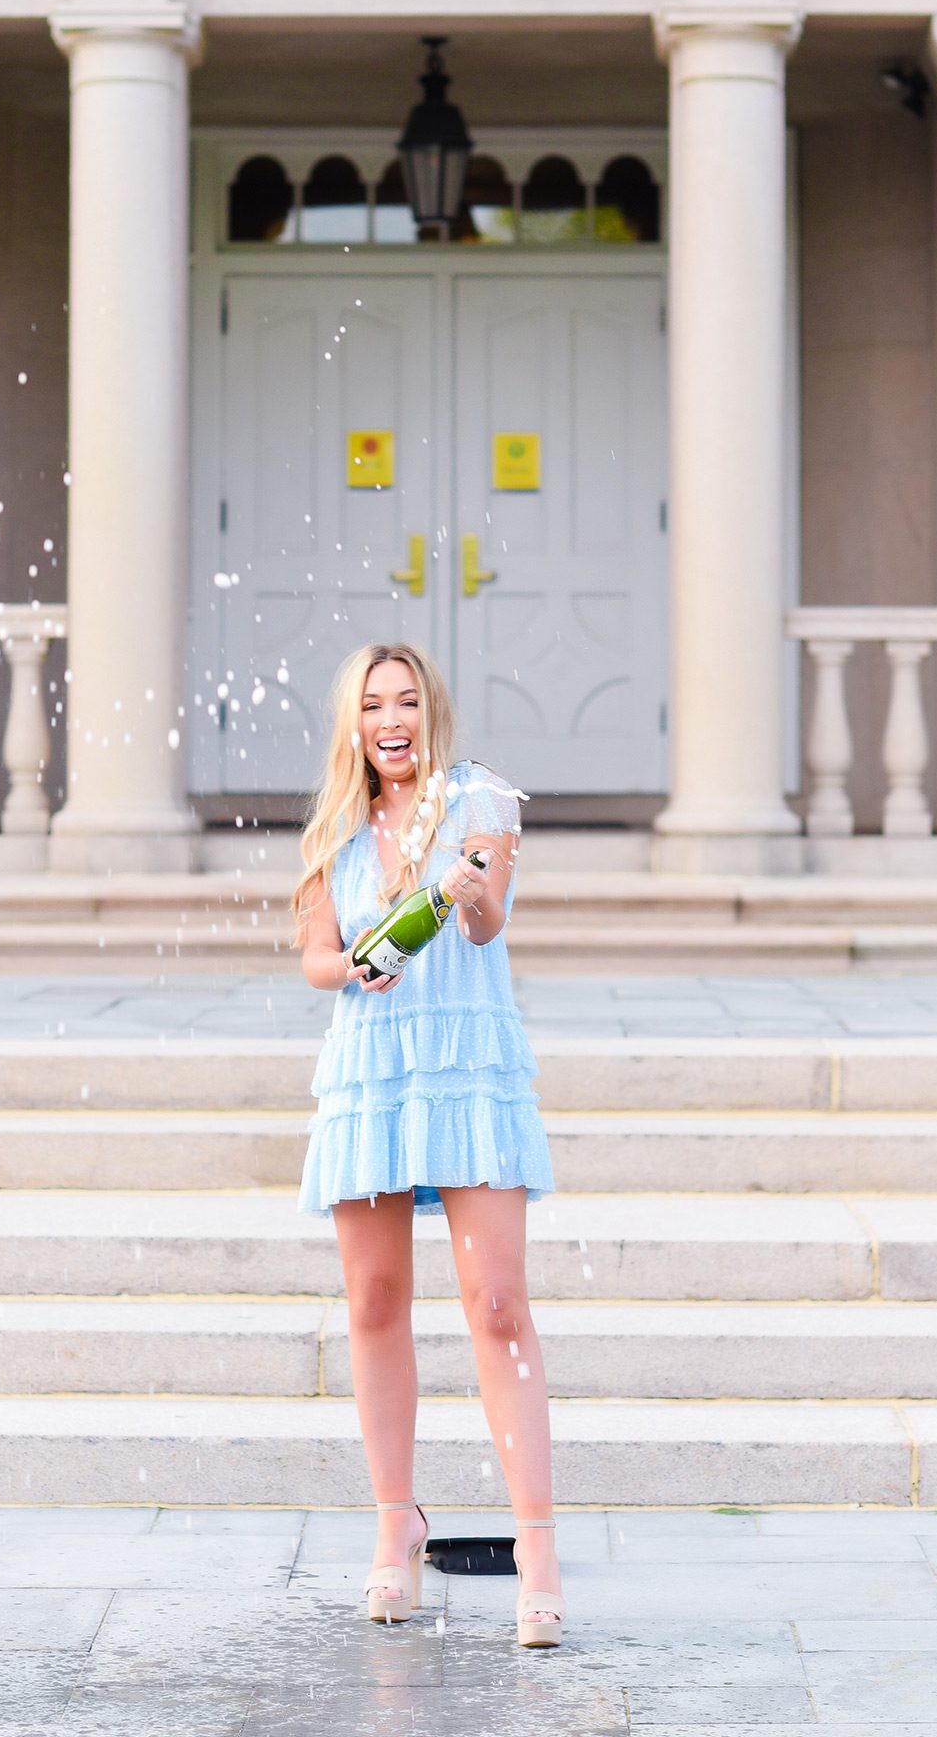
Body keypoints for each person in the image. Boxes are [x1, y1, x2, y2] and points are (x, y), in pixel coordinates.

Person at [291, 641, 565, 1648]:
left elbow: (488, 928)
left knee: (496, 1302)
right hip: (372, 1064)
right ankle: (395, 1521)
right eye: (373, 703)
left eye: (407, 699)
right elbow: (317, 953)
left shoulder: (482, 802)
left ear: (430, 709)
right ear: (354, 722)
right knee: (373, 1299)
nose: (392, 717)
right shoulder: (332, 824)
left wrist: (464, 883)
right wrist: (349, 970)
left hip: (466, 1057)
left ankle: (538, 1545)